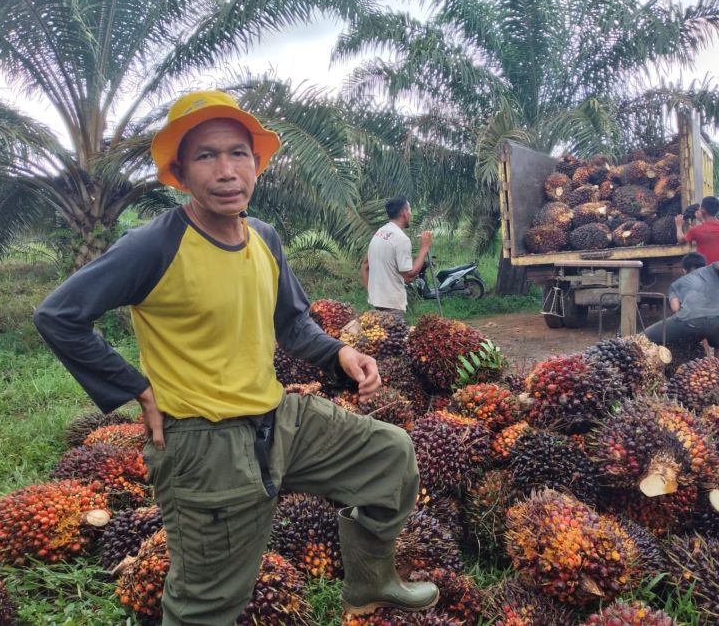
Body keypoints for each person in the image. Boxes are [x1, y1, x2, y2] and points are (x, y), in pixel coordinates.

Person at [34, 91, 438, 626]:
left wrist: (341, 351)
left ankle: (369, 581)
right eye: (206, 156)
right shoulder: (153, 245)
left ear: (257, 163)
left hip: (278, 419)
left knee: (389, 456)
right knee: (209, 604)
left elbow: (291, 323)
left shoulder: (264, 238)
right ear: (179, 172)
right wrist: (135, 387)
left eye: (238, 154)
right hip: (204, 445)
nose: (226, 171)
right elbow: (59, 315)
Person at [362, 196, 432, 318]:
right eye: (410, 210)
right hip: (392, 307)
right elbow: (409, 276)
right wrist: (424, 248)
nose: (411, 214)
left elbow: (364, 265)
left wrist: (372, 293)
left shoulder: (380, 233)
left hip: (377, 303)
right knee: (393, 336)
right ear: (404, 213)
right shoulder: (401, 239)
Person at [675, 195, 719, 311]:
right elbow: (709, 229)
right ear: (718, 210)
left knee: (706, 309)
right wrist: (702, 220)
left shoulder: (695, 231)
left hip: (706, 276)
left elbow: (680, 239)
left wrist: (678, 226)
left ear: (702, 210)